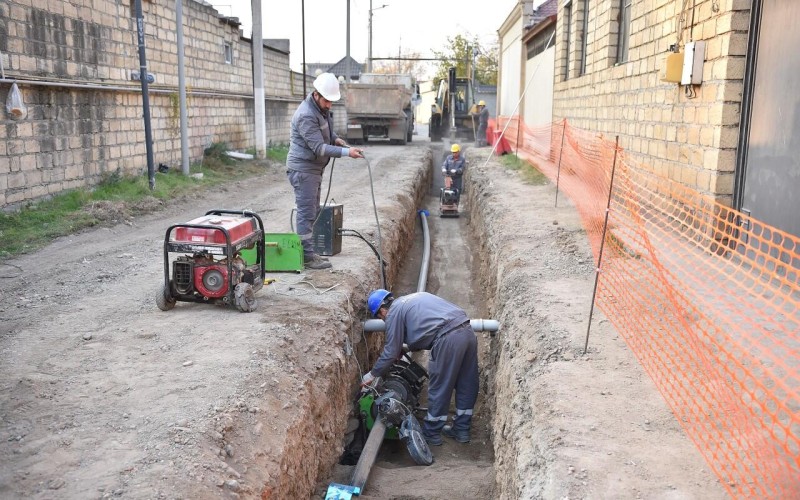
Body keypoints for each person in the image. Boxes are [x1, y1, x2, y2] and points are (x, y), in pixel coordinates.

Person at [362, 289, 479, 446]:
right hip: (467, 331)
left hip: (448, 339)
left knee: (440, 387)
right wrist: (406, 348)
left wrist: (372, 375)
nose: (384, 321)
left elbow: (390, 352)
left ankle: (431, 433)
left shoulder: (393, 312)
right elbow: (424, 331)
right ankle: (462, 429)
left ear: (382, 311)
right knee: (467, 382)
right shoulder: (411, 299)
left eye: (381, 318)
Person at [287, 72, 364, 270]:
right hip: (303, 170)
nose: (330, 105)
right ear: (316, 95)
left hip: (313, 169)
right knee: (306, 213)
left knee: (312, 211)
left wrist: (336, 139)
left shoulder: (320, 110)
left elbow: (326, 132)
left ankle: (309, 252)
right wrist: (347, 152)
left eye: (331, 101)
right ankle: (306, 257)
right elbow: (319, 148)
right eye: (327, 101)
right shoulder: (305, 115)